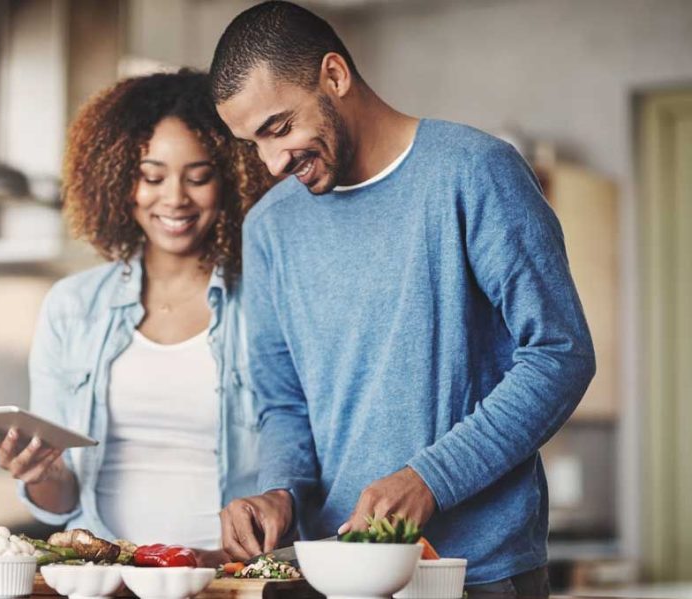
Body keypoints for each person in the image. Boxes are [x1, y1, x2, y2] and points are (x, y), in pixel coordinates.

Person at [208, 2, 595, 595]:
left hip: (476, 572)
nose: (271, 162)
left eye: (279, 127)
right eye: (251, 144)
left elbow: (559, 353)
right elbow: (284, 403)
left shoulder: (473, 172)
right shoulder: (268, 227)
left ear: (334, 76)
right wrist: (280, 491)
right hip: (333, 571)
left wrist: (429, 479)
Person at [0, 70, 272, 557]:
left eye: (199, 177)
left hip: (224, 579)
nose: (175, 198)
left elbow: (296, 471)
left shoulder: (266, 305)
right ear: (118, 180)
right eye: (151, 176)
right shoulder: (72, 308)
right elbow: (59, 504)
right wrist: (44, 474)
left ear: (231, 181)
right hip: (102, 578)